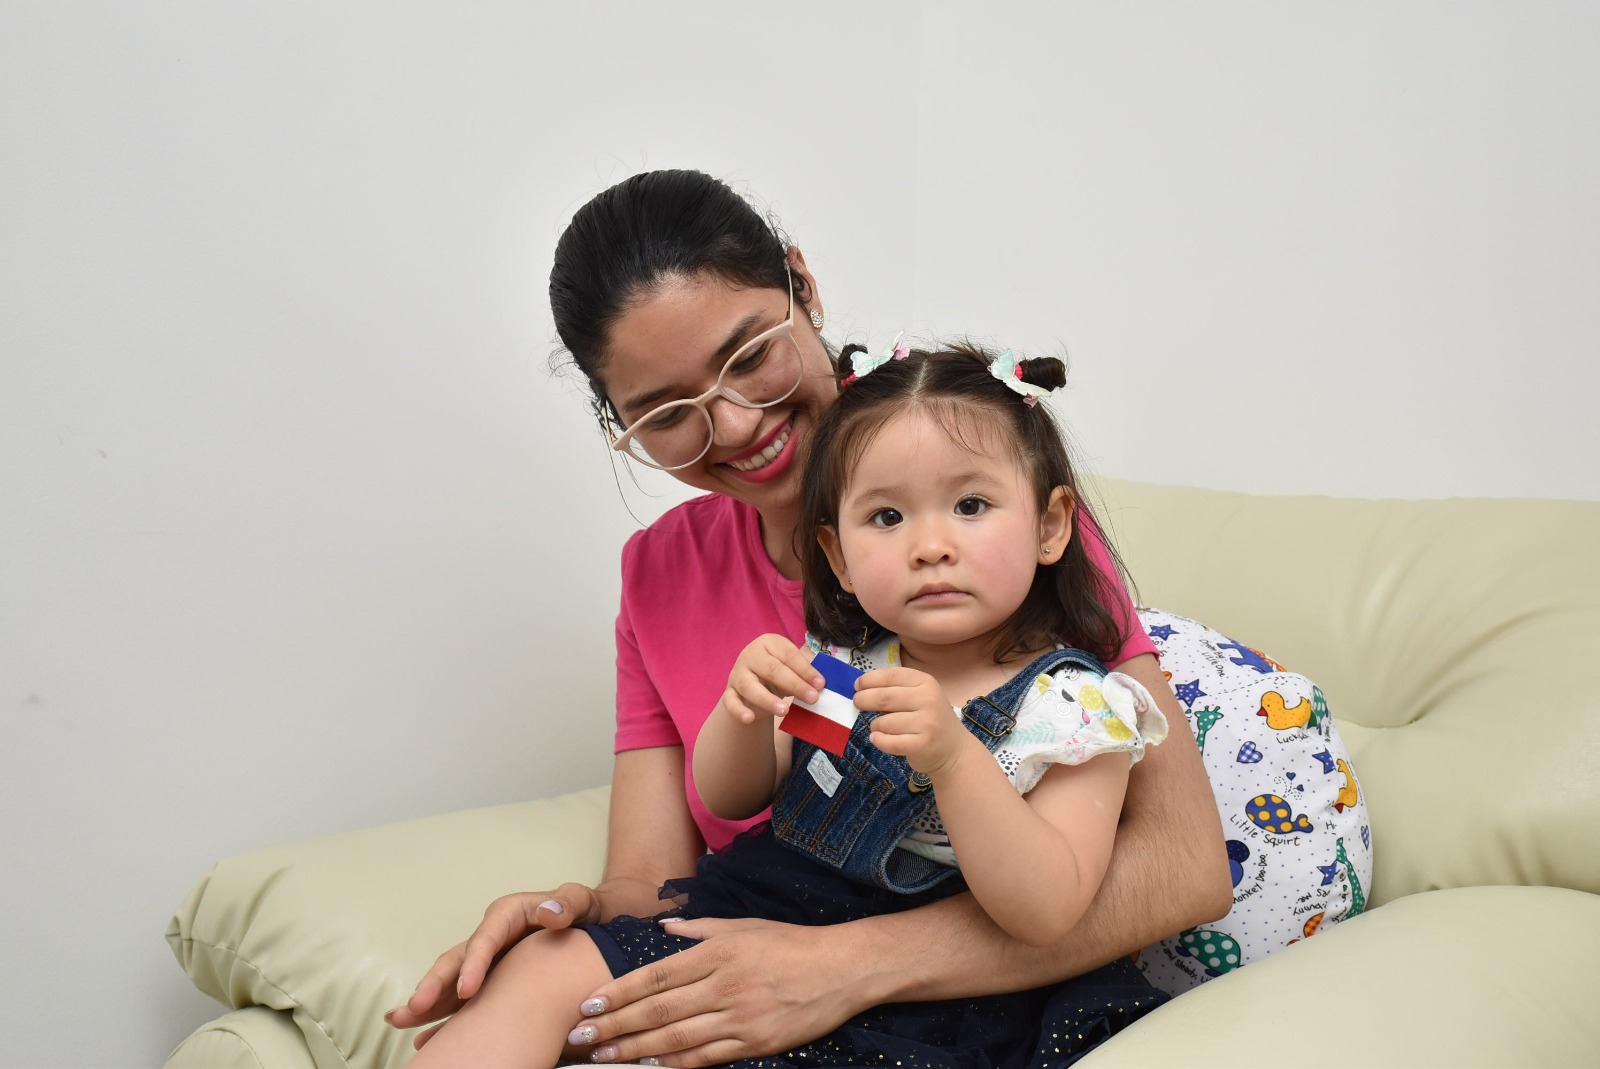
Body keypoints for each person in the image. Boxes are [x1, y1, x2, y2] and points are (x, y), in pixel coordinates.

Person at [387, 169, 1237, 1066]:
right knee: (542, 970)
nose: (734, 422)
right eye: (667, 415)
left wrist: (839, 965)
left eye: (750, 355)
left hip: (923, 985)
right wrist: (577, 917)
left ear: (803, 282)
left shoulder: (994, 513)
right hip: (753, 919)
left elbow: (1184, 868)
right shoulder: (684, 584)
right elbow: (656, 873)